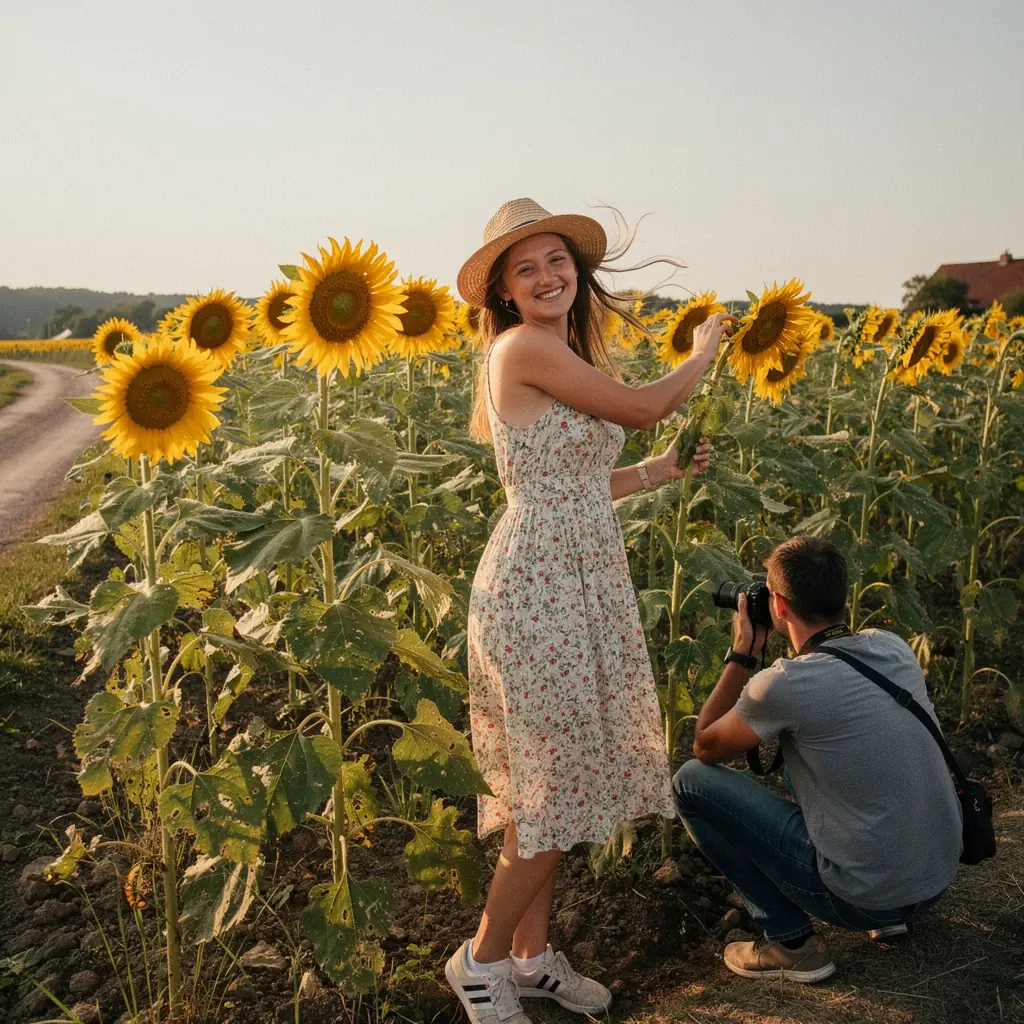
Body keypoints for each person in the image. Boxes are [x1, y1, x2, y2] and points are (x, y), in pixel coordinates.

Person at [445, 197, 736, 1024]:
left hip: (572, 577)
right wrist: (704, 351)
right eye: (525, 268)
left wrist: (659, 472)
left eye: (556, 261)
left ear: (578, 270)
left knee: (556, 786)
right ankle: (480, 963)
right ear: (504, 291)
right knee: (550, 789)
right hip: (540, 589)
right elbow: (645, 405)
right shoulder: (523, 346)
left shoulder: (552, 353)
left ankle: (532, 962)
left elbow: (570, 483)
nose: (546, 277)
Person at [673, 536, 963, 983]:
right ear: (842, 596)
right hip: (934, 880)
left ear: (780, 605)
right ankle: (891, 916)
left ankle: (790, 943)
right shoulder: (892, 647)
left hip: (861, 898)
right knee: (828, 750)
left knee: (690, 782)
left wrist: (743, 652)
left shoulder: (785, 685)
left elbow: (705, 747)